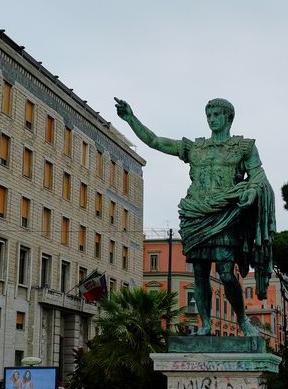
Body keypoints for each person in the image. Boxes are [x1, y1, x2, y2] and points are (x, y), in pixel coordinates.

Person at [115, 97, 275, 336]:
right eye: (209, 115)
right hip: (195, 215)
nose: (212, 120)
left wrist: (251, 192)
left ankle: (242, 320)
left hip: (226, 215)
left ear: (228, 118)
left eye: (217, 115)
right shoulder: (195, 148)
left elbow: (258, 178)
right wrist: (131, 119)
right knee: (199, 274)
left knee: (224, 273)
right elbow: (156, 141)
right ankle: (206, 325)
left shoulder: (244, 147)